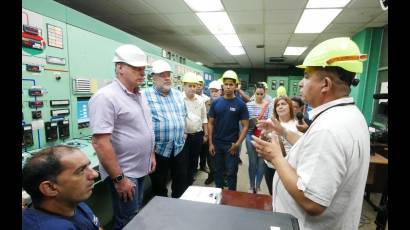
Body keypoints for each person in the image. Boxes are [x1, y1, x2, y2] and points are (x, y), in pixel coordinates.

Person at [252, 37, 370, 230]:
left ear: (325, 84)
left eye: (306, 76)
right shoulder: (348, 115)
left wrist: (276, 157)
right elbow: (311, 146)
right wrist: (282, 131)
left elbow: (312, 202)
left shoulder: (329, 128)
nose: (300, 83)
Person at [89, 44, 156, 230]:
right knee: (127, 219)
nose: (142, 72)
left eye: (143, 68)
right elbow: (100, 143)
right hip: (125, 172)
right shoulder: (106, 97)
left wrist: (150, 154)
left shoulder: (138, 94)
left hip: (140, 167)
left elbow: (144, 129)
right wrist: (120, 179)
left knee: (134, 213)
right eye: (136, 68)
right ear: (119, 67)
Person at [22, 145, 102, 230]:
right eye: (81, 170)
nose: (95, 174)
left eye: (88, 167)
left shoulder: (71, 202)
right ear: (50, 188)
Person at [144, 59, 188, 198]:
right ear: (153, 78)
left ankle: (179, 206)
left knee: (181, 182)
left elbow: (184, 115)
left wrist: (184, 133)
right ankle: (161, 211)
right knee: (159, 185)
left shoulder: (178, 95)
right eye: (162, 75)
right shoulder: (144, 95)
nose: (167, 77)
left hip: (179, 147)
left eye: (168, 74)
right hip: (158, 150)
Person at [208, 70, 249, 190]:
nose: (228, 87)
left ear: (236, 86)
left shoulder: (240, 104)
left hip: (231, 145)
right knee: (217, 171)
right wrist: (210, 143)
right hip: (216, 143)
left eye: (231, 84)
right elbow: (210, 123)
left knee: (231, 173)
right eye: (226, 84)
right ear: (223, 86)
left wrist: (237, 144)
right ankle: (218, 194)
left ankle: (232, 196)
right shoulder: (216, 103)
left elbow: (245, 126)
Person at [245, 85, 273, 193]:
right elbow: (245, 122)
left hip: (264, 135)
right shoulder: (248, 105)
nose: (259, 96)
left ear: (264, 93)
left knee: (262, 163)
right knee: (253, 162)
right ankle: (251, 186)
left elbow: (269, 120)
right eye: (257, 93)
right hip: (251, 134)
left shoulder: (268, 105)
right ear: (254, 92)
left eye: (262, 94)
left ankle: (258, 186)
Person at [182, 72, 208, 185]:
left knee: (194, 160)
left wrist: (206, 134)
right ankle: (183, 183)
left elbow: (204, 118)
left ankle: (190, 180)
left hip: (197, 135)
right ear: (184, 86)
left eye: (194, 86)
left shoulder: (200, 100)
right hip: (183, 136)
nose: (193, 88)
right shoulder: (178, 99)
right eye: (190, 86)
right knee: (183, 161)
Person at [204, 80, 222, 185]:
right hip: (209, 133)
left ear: (220, 91)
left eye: (216, 91)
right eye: (212, 91)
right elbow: (204, 119)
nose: (214, 93)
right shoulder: (206, 103)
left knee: (221, 157)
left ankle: (221, 176)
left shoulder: (226, 102)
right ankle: (212, 175)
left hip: (221, 134)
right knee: (209, 156)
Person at [195, 75, 211, 174]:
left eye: (201, 85)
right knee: (196, 149)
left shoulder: (207, 98)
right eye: (197, 85)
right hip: (195, 127)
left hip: (204, 126)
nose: (199, 86)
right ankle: (194, 167)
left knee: (204, 149)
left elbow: (208, 114)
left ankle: (203, 166)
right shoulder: (189, 97)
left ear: (203, 86)